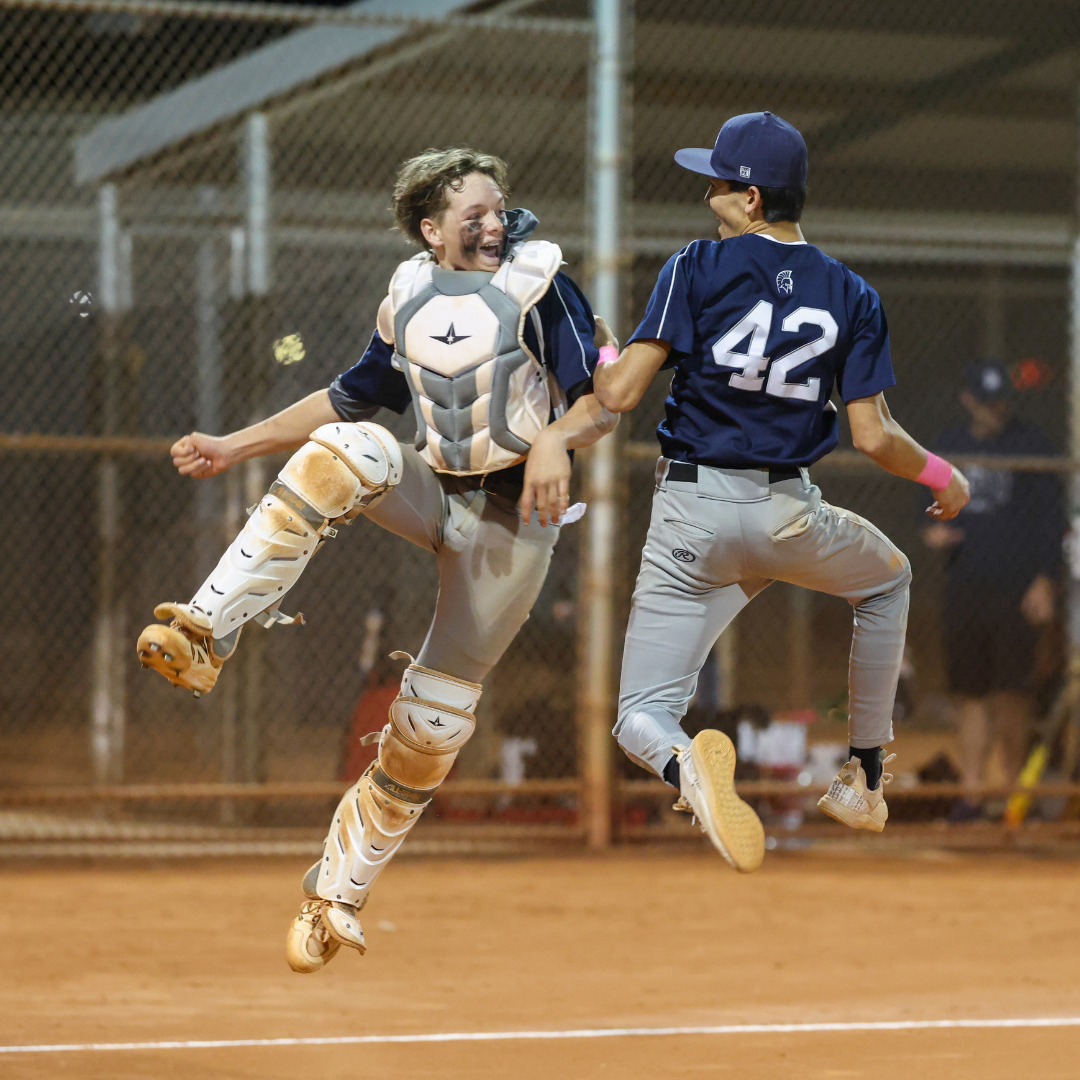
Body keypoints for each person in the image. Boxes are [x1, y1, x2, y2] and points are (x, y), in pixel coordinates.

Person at [135, 148, 616, 971]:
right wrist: (231, 444)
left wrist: (556, 448)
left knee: (428, 730)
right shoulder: (408, 294)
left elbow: (600, 399)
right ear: (432, 228)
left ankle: (335, 898)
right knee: (344, 447)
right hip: (435, 489)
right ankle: (207, 631)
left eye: (501, 207)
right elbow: (348, 396)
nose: (497, 223)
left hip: (512, 523)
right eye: (476, 213)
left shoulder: (540, 284)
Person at [593, 112, 970, 869]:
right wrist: (943, 474)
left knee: (639, 713)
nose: (709, 198)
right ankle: (863, 776)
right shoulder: (852, 293)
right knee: (890, 579)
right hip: (789, 517)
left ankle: (680, 763)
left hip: (690, 517)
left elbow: (620, 392)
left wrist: (598, 342)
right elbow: (874, 436)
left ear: (754, 199)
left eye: (721, 184)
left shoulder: (695, 266)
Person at [923, 361, 1063, 819]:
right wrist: (933, 531)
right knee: (969, 692)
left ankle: (1014, 794)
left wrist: (1045, 579)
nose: (994, 410)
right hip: (966, 585)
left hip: (1016, 587)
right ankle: (972, 792)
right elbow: (924, 508)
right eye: (985, 402)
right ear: (968, 401)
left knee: (1011, 694)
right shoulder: (950, 446)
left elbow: (1051, 521)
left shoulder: (1030, 445)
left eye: (1000, 400)